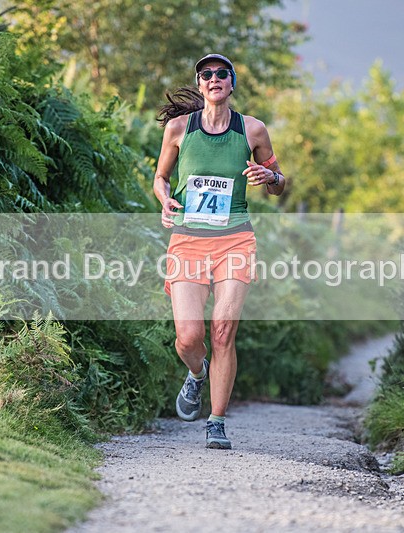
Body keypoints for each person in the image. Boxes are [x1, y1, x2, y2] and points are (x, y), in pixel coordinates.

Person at [153, 53, 286, 449]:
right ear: (199, 85)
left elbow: (280, 183)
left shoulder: (253, 130)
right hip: (189, 239)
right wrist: (165, 200)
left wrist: (270, 176)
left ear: (231, 82)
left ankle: (216, 421)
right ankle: (197, 375)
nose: (214, 78)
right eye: (206, 74)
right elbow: (161, 178)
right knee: (188, 337)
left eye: (221, 73)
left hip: (235, 239)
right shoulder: (179, 128)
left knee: (224, 331)